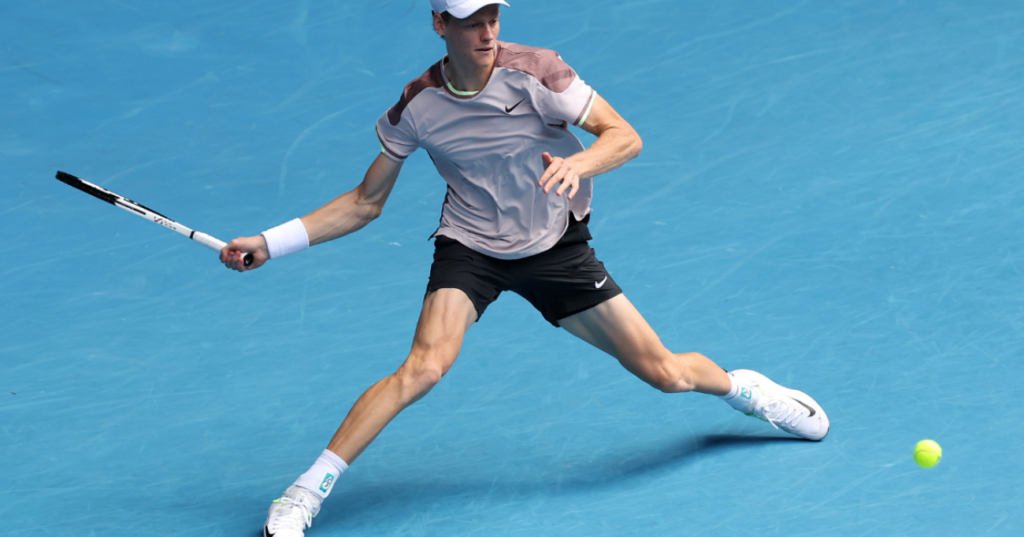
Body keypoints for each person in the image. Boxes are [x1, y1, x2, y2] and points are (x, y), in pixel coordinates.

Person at [221, 2, 830, 535]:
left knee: (666, 373)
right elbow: (364, 202)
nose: (485, 32)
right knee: (423, 368)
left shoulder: (540, 71)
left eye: (492, 17)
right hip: (472, 247)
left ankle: (745, 390)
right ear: (439, 26)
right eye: (469, 22)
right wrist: (271, 243)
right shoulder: (419, 104)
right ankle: (304, 492)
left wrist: (582, 165)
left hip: (554, 245)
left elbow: (625, 136)